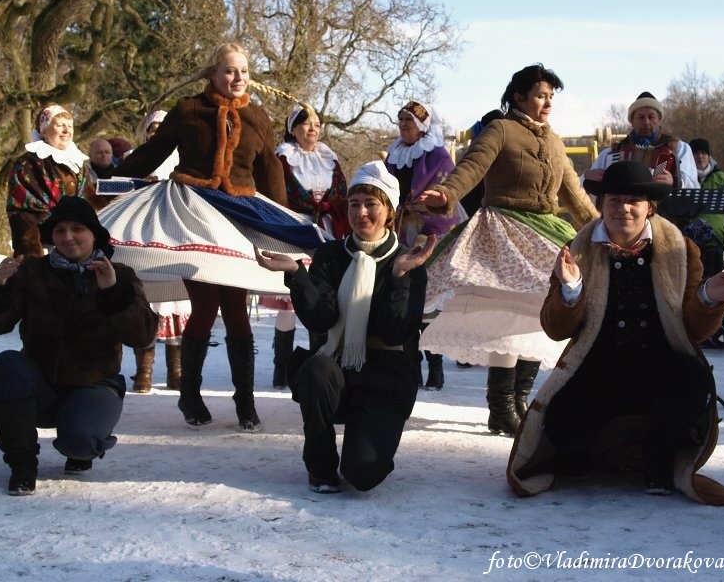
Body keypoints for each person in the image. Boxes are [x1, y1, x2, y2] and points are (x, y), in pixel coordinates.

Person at [507, 160, 724, 506]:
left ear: (649, 207)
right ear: (601, 205)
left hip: (659, 371)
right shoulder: (575, 252)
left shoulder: (681, 250)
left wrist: (709, 297)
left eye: (633, 201)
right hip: (599, 371)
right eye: (614, 200)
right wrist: (571, 289)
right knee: (562, 424)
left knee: (692, 379)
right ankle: (585, 453)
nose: (623, 208)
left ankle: (659, 462)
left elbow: (693, 331)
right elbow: (555, 329)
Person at [112, 41, 288, 431]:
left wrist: (283, 219)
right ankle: (189, 394)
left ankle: (245, 401)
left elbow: (271, 170)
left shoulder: (258, 117)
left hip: (239, 216)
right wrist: (114, 181)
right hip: (194, 213)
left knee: (237, 309)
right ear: (212, 74)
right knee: (205, 306)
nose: (238, 77)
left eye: (243, 70)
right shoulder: (189, 110)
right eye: (229, 70)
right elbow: (155, 149)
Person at [417, 64, 599, 436]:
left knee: (539, 315)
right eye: (539, 95)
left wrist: (601, 226)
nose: (547, 103)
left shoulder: (554, 140)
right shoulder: (501, 129)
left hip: (545, 230)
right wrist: (447, 194)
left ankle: (518, 403)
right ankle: (500, 407)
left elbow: (574, 195)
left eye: (550, 97)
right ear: (519, 97)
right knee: (505, 317)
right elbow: (472, 167)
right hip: (504, 231)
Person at [255, 161, 435, 493]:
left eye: (371, 204)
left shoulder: (408, 262)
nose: (361, 213)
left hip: (386, 377)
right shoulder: (331, 255)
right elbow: (321, 319)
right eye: (354, 204)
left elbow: (396, 332)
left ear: (389, 210)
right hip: (338, 369)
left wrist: (397, 278)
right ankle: (320, 467)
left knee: (363, 474)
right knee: (315, 371)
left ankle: (371, 435)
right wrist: (298, 275)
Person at [0, 196, 158, 496]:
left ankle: (79, 443)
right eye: (59, 230)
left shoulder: (119, 274)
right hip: (39, 384)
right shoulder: (33, 272)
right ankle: (22, 464)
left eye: (77, 229)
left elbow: (143, 336)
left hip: (95, 384)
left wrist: (112, 292)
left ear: (93, 234)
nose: (68, 237)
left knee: (80, 441)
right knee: (6, 364)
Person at [264, 104, 349, 390]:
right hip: (293, 231)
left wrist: (327, 208)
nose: (312, 128)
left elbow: (342, 194)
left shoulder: (330, 159)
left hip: (327, 233)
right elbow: (277, 194)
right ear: (293, 129)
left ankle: (319, 362)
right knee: (289, 302)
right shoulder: (283, 158)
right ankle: (282, 368)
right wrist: (305, 210)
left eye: (316, 123)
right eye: (305, 123)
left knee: (322, 296)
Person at [385, 100, 465, 391]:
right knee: (405, 297)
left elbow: (447, 192)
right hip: (400, 228)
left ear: (422, 125)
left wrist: (421, 208)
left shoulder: (438, 155)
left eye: (409, 120)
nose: (404, 124)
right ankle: (411, 363)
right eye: (401, 119)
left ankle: (435, 366)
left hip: (431, 230)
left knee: (428, 301)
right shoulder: (394, 153)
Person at [127, 111, 189, 393]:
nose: (156, 133)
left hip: (176, 237)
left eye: (163, 129)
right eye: (152, 129)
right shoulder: (135, 156)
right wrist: (140, 186)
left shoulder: (186, 160)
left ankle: (176, 372)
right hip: (142, 235)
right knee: (147, 300)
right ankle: (144, 372)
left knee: (175, 301)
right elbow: (116, 191)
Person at [6, 103, 102, 258]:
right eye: (60, 125)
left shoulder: (76, 162)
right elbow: (22, 214)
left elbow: (90, 196)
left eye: (70, 126)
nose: (67, 130)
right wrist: (33, 259)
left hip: (77, 244)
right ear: (44, 131)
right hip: (44, 245)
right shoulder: (28, 164)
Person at [585, 91, 698, 191]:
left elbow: (693, 186)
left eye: (651, 117)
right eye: (641, 117)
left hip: (666, 212)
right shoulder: (612, 152)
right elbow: (581, 185)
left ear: (659, 121)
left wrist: (675, 182)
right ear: (632, 122)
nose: (646, 122)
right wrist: (587, 177)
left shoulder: (678, 148)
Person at [682, 138, 724, 277]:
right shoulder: (683, 178)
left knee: (714, 280)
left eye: (703, 153)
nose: (700, 156)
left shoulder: (721, 178)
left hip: (715, 243)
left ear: (709, 155)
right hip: (689, 242)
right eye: (696, 153)